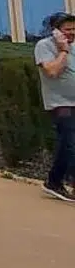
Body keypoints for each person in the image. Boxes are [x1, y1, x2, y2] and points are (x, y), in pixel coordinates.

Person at [35, 12, 75, 202]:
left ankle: (56, 181)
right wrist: (63, 51)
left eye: (74, 29)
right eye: (67, 29)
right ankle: (55, 182)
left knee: (68, 144)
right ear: (56, 31)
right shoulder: (44, 46)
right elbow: (52, 71)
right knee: (69, 142)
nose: (72, 33)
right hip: (60, 103)